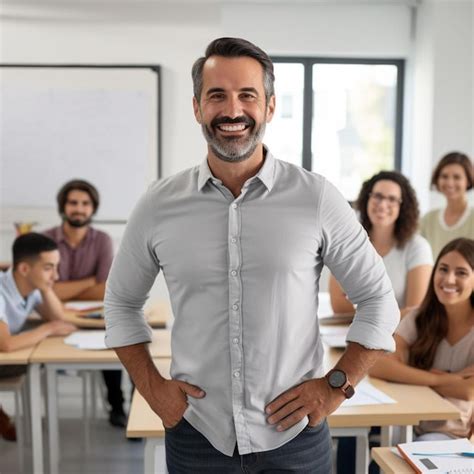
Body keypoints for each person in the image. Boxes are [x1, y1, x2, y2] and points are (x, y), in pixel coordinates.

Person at [104, 37, 400, 473]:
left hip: (294, 438)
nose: (233, 110)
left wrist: (336, 385)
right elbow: (121, 304)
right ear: (196, 107)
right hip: (197, 435)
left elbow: (379, 301)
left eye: (248, 95)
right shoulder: (159, 204)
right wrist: (153, 390)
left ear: (271, 106)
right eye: (217, 95)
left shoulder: (316, 198)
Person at [370, 237, 474, 441]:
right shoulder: (419, 317)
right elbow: (378, 365)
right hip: (411, 421)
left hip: (454, 432)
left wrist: (411, 376)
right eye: (443, 269)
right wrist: (445, 378)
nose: (449, 279)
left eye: (461, 273)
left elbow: (469, 391)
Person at [44, 180, 126, 428]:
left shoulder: (102, 240)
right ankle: (47, 415)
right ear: (63, 206)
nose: (79, 208)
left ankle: (118, 406)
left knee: (115, 343)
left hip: (93, 317)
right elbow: (47, 289)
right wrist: (89, 281)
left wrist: (62, 290)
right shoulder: (45, 240)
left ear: (93, 208)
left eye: (85, 203)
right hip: (55, 316)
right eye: (73, 203)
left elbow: (104, 290)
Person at [0, 233, 76, 441]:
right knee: (38, 362)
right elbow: (6, 344)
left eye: (56, 267)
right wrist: (48, 329)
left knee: (39, 360)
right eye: (48, 268)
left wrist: (46, 285)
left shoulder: (30, 288)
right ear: (24, 269)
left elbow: (59, 317)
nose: (56, 276)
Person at [330, 171, 433, 318]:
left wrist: (366, 323)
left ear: (402, 207)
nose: (383, 204)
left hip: (399, 336)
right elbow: (339, 308)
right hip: (351, 334)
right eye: (377, 196)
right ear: (367, 199)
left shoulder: (418, 248)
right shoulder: (348, 243)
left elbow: (414, 310)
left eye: (392, 199)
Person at [420, 152, 473, 259]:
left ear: (467, 181)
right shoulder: (428, 220)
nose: (449, 183)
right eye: (444, 176)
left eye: (457, 177)